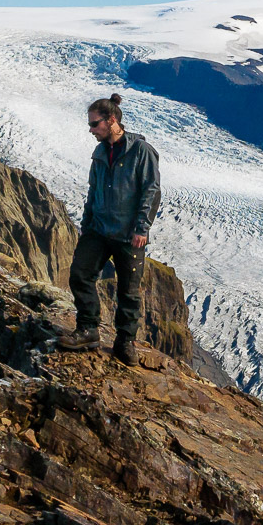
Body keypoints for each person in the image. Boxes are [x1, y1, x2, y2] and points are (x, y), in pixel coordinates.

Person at [58, 94, 161, 365]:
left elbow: (151, 190)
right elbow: (93, 190)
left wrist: (142, 228)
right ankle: (88, 329)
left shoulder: (141, 151)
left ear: (111, 121)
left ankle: (125, 343)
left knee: (129, 291)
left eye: (94, 124)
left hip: (129, 235)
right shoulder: (101, 152)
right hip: (99, 230)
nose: (91, 130)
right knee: (80, 274)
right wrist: (87, 224)